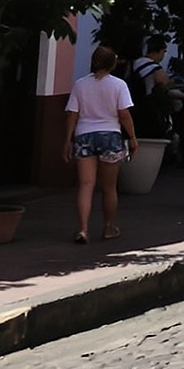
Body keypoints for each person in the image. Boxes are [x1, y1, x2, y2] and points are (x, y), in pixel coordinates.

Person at [64, 44, 137, 244]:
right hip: (110, 136)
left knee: (86, 185)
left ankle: (83, 229)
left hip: (84, 136)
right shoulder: (118, 85)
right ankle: (108, 226)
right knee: (109, 187)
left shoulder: (80, 84)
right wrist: (132, 137)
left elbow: (72, 114)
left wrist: (68, 140)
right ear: (113, 63)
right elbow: (124, 114)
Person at [129, 37, 178, 144]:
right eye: (164, 51)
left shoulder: (136, 63)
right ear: (158, 51)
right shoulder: (152, 66)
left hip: (137, 105)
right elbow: (164, 81)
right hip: (151, 107)